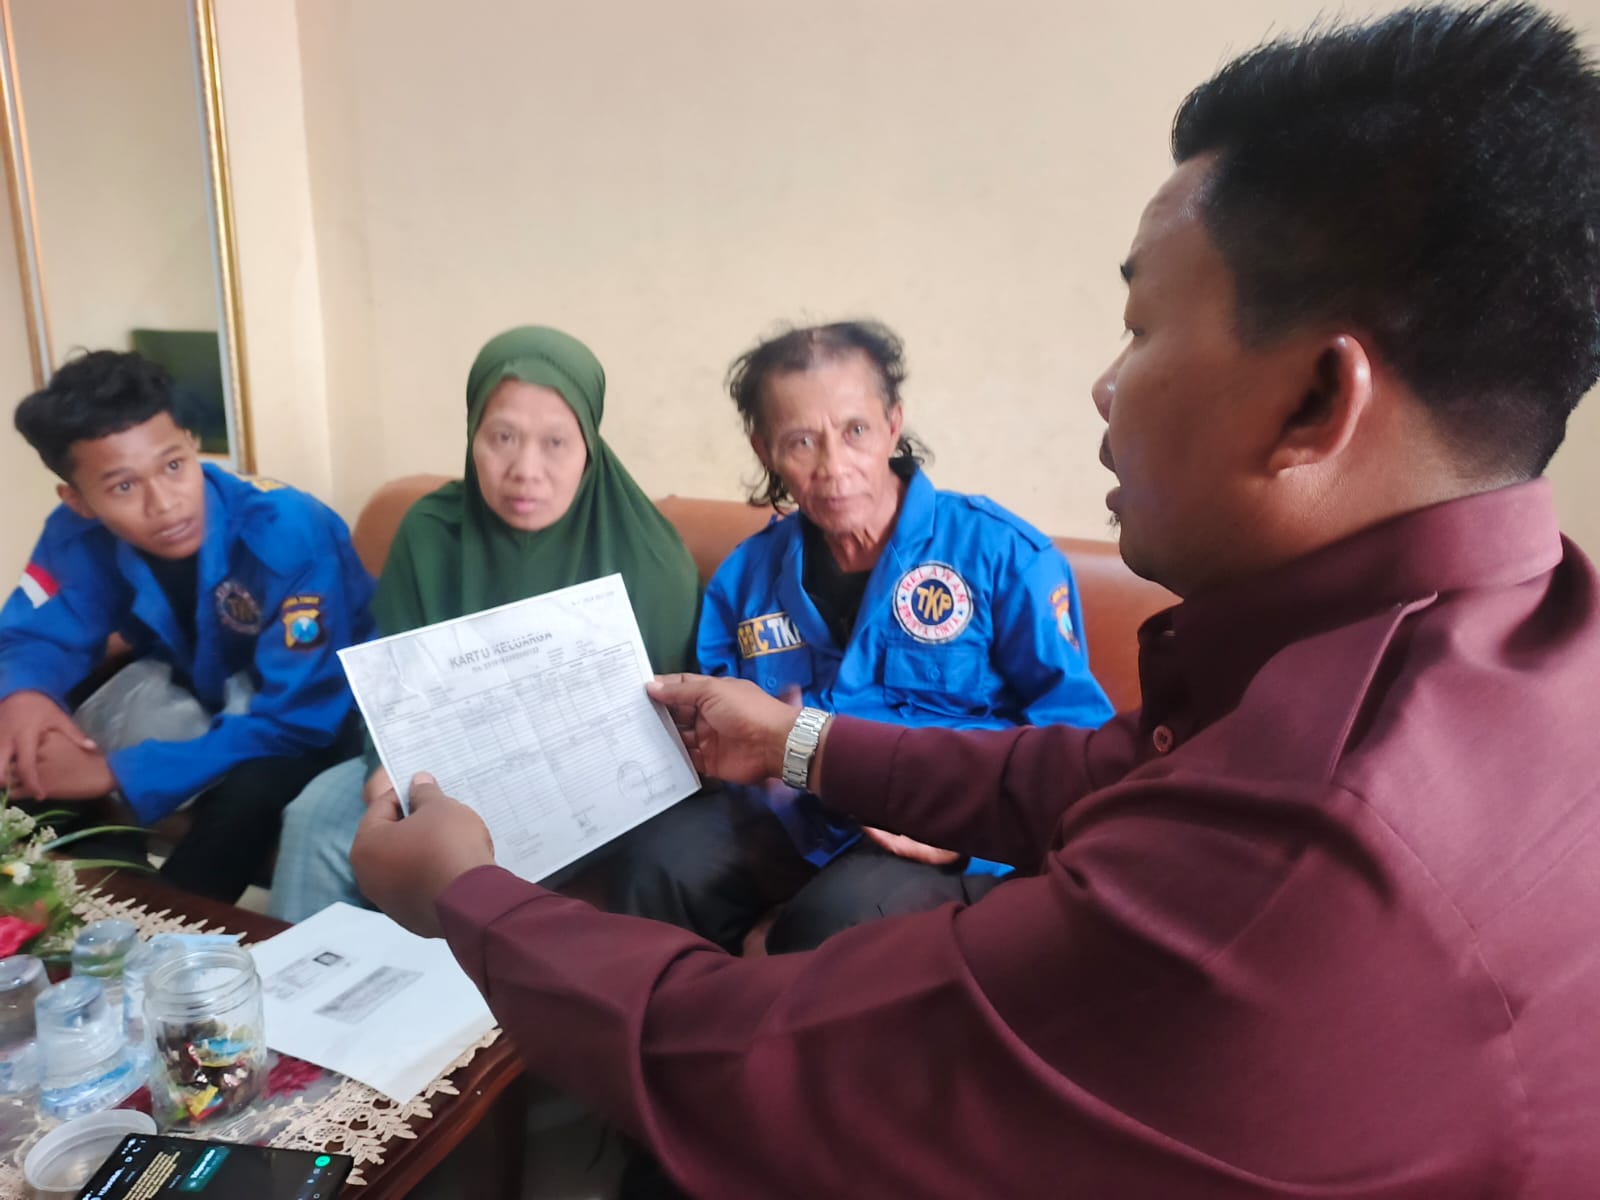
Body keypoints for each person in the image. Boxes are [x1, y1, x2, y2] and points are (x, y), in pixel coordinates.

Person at [350, 4, 1600, 1194]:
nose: (1106, 386)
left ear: (1317, 400)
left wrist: (465, 896)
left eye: (1141, 328)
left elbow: (779, 1064)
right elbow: (1096, 770)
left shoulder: (1302, 852)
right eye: (797, 441)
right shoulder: (1489, 646)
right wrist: (790, 740)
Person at [610, 320, 1111, 953]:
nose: (833, 467)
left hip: (932, 827)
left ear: (893, 425)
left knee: (835, 924)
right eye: (801, 441)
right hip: (791, 816)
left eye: (855, 431)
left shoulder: (1001, 555)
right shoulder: (745, 578)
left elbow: (1080, 743)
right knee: (653, 868)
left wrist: (968, 837)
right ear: (765, 449)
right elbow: (718, 725)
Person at [268, 325, 699, 922]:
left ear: (589, 444)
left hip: (578, 784)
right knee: (314, 816)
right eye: (502, 437)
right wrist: (380, 770)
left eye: (555, 442)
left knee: (469, 863)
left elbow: (658, 736)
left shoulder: (650, 558)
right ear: (472, 434)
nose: (525, 469)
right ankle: (307, 983)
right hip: (431, 769)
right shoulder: (429, 532)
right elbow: (387, 685)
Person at [0, 350, 373, 902]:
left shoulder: (287, 531)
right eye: (123, 487)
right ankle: (85, 904)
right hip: (206, 685)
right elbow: (34, 634)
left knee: (251, 791)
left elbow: (298, 719)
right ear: (77, 500)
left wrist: (117, 773)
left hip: (322, 709)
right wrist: (24, 695)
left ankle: (173, 924)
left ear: (192, 445)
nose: (165, 504)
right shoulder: (75, 533)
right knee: (28, 748)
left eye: (173, 466)